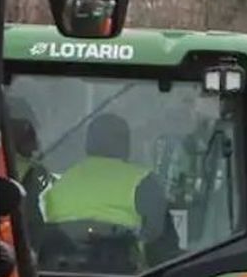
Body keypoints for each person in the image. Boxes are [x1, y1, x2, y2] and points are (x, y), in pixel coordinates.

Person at [40, 113, 173, 264]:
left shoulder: (60, 183)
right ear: (126, 144)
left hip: (61, 272)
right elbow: (160, 244)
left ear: (88, 144)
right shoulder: (144, 181)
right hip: (123, 273)